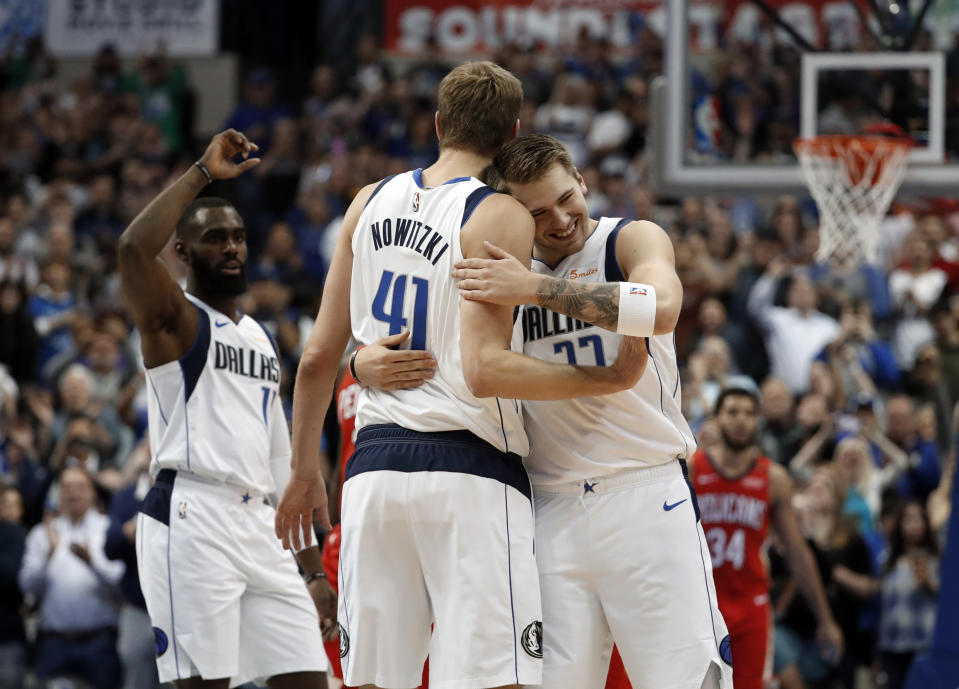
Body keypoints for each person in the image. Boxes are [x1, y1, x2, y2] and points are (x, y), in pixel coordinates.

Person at [276, 63, 647, 689]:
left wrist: (303, 470)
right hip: (468, 470)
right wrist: (605, 377)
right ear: (515, 133)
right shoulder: (499, 210)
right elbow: (483, 371)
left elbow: (316, 359)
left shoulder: (366, 201)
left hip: (371, 473)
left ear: (440, 124)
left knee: (367, 681)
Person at [378, 131, 733, 689]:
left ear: (583, 181)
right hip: (547, 508)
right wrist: (359, 364)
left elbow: (662, 309)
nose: (561, 219)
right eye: (538, 212)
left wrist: (539, 290)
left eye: (567, 198)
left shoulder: (630, 240)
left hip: (646, 495)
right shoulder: (498, 269)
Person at [117, 129, 332, 689]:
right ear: (184, 252)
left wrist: (312, 570)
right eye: (215, 237)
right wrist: (203, 174)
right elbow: (132, 250)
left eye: (238, 236)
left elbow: (282, 460)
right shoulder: (176, 319)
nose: (233, 246)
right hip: (192, 514)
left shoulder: (261, 338)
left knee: (310, 680)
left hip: (261, 522)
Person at [688, 381, 844, 689]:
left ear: (758, 420)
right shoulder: (694, 469)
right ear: (717, 419)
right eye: (732, 411)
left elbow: (798, 553)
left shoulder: (773, 478)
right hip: (701, 603)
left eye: (749, 413)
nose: (741, 419)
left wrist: (825, 618)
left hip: (751, 605)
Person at [18, 466, 124, 689]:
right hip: (54, 642)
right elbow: (26, 585)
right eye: (67, 487)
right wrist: (49, 555)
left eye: (80, 487)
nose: (73, 493)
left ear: (92, 492)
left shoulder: (109, 530)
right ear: (59, 494)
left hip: (100, 642)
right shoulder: (43, 533)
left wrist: (92, 564)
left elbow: (122, 584)